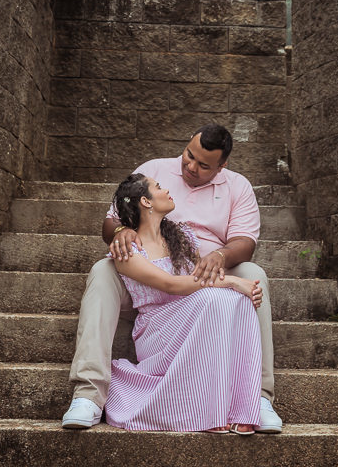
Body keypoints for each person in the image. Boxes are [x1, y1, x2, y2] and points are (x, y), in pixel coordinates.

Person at [62, 123, 283, 433]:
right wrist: (121, 231)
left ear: (222, 166)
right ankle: (88, 393)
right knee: (102, 270)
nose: (190, 167)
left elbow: (245, 242)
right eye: (188, 155)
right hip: (148, 271)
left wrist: (219, 257)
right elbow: (115, 216)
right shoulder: (154, 170)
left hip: (204, 269)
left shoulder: (237, 187)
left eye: (203, 165)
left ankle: (257, 397)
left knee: (253, 275)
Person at [102, 172, 263, 432]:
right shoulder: (127, 250)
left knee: (237, 302)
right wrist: (234, 282)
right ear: (146, 201)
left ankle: (241, 409)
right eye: (159, 187)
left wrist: (236, 289)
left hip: (192, 314)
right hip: (157, 329)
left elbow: (203, 276)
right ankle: (207, 413)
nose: (167, 190)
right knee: (216, 296)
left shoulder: (182, 237)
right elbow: (171, 285)